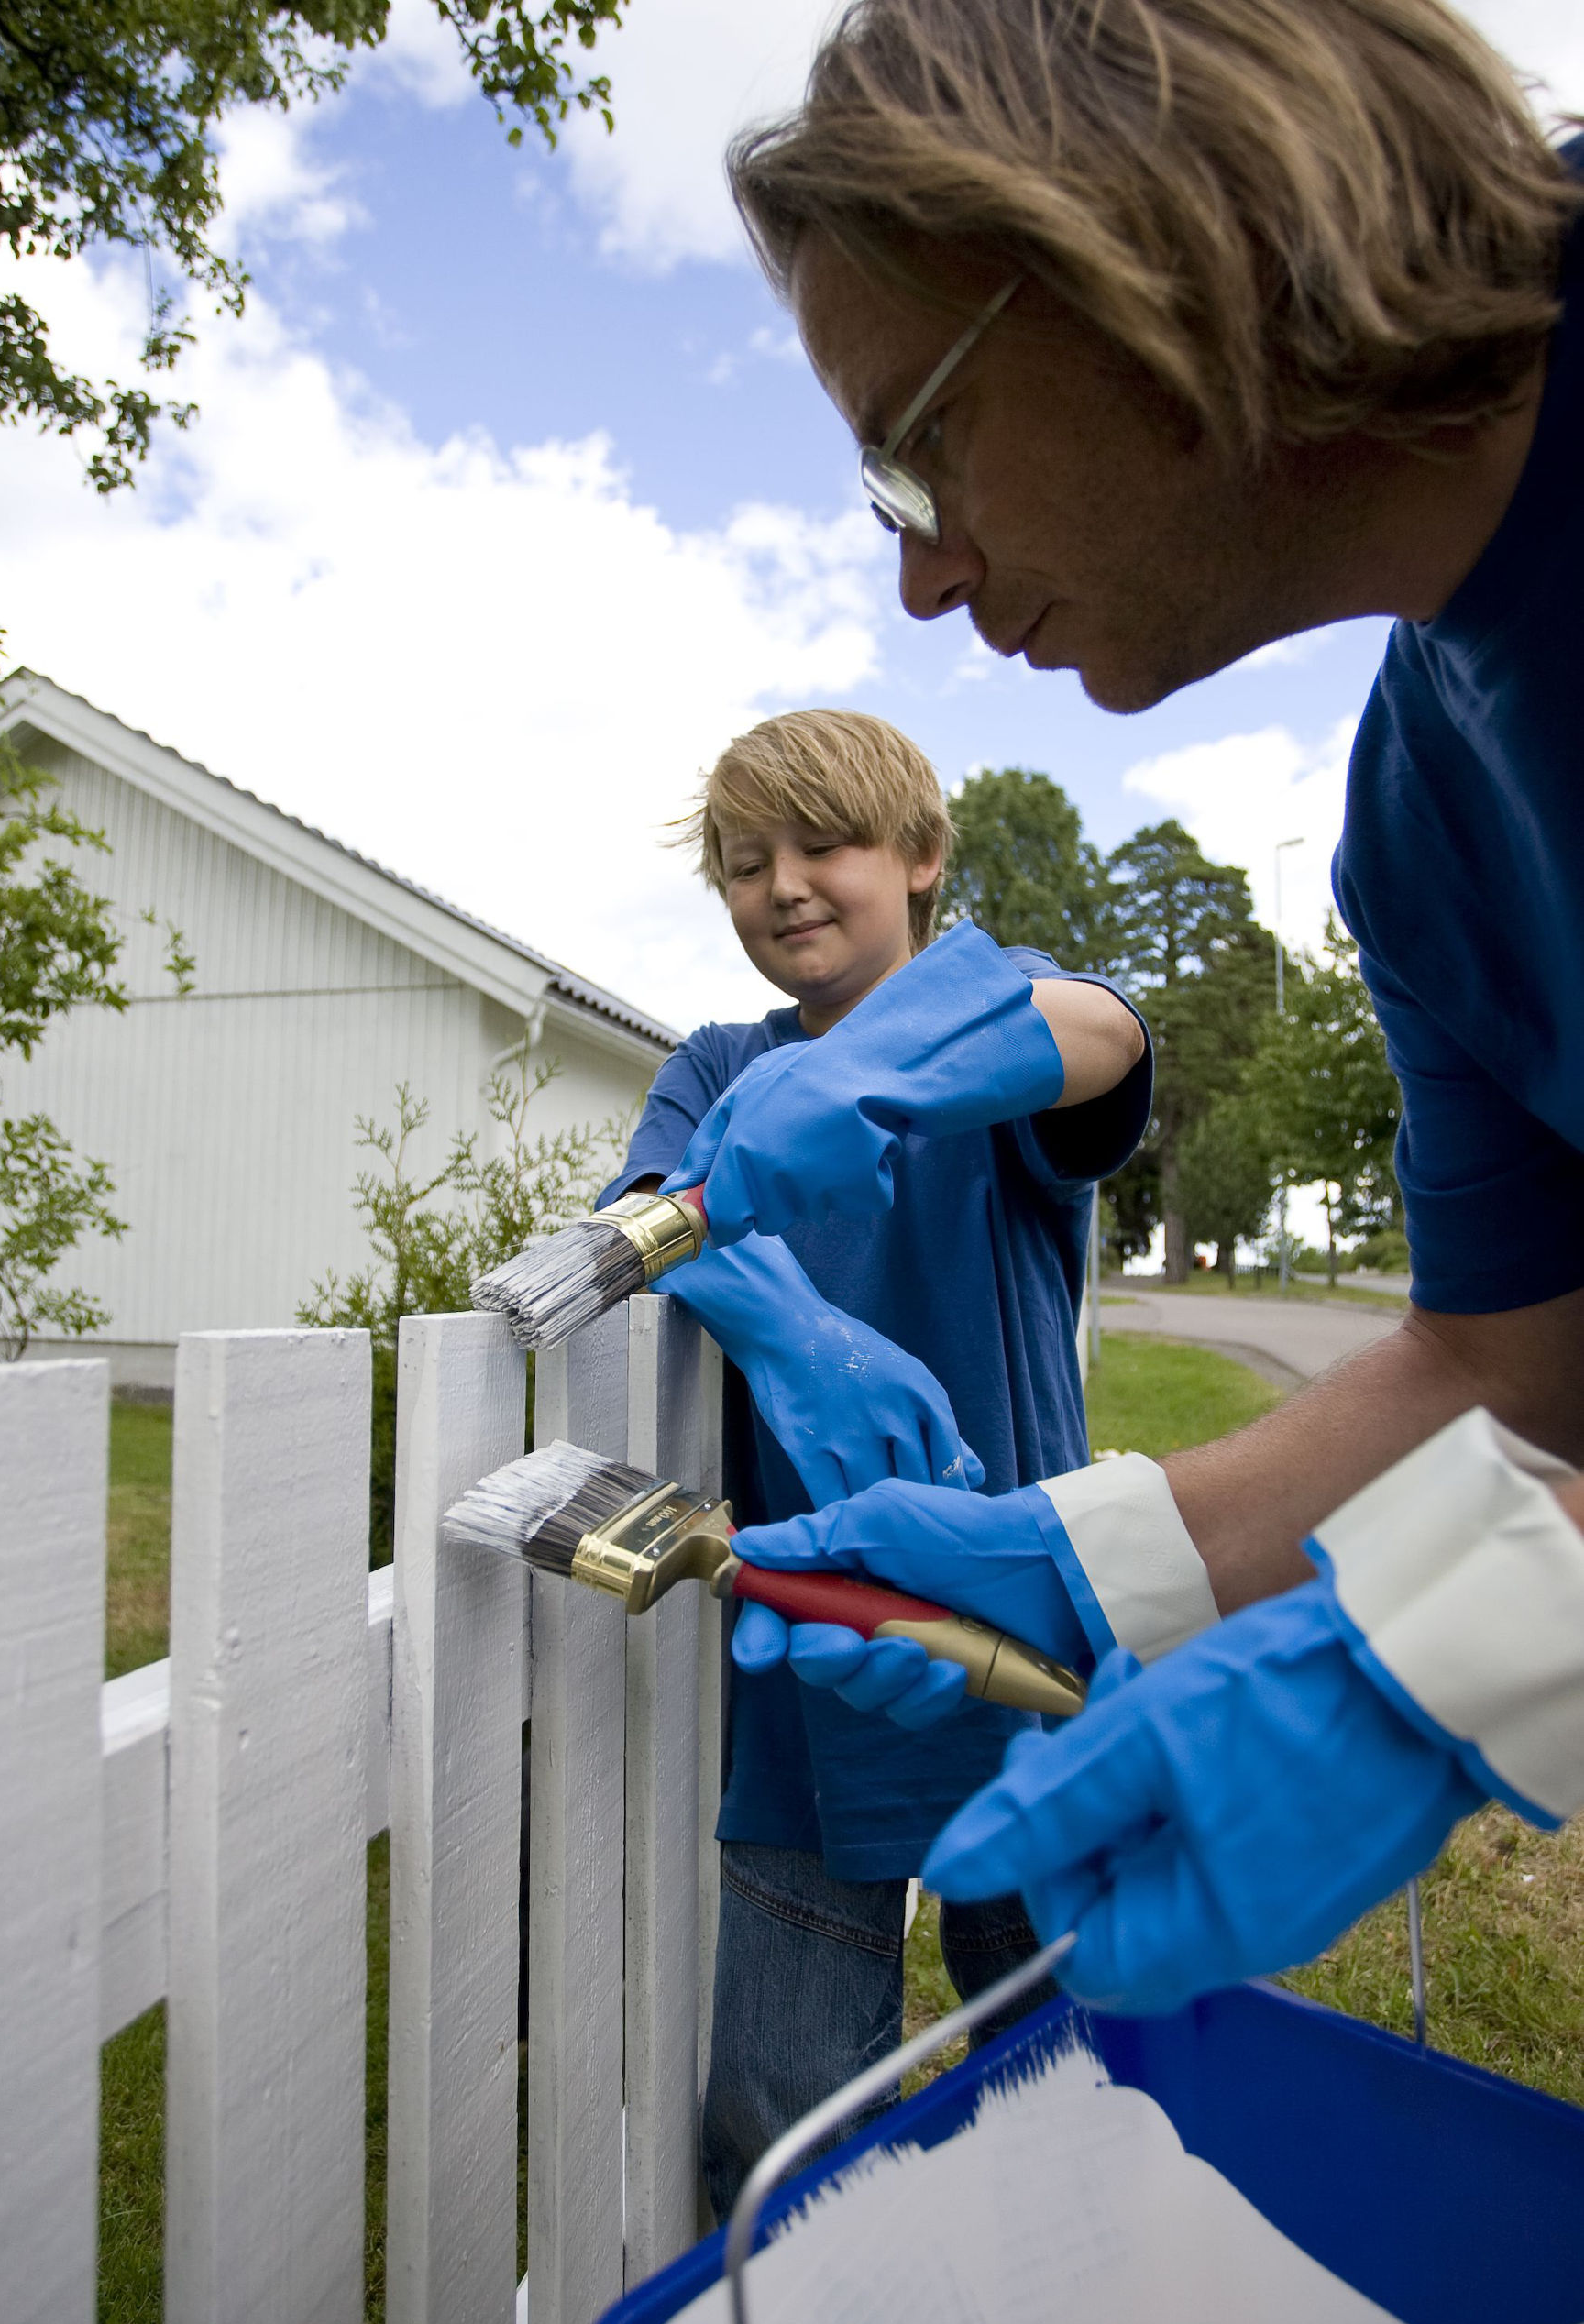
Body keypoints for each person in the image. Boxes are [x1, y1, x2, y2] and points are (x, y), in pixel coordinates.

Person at [667, 0, 1584, 2013]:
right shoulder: (1421, 831)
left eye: (913, 442)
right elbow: (1513, 1369)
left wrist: (1478, 1644)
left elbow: (1091, 1045)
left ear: (1138, 243)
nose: (917, 581)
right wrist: (1101, 1562)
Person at [598, 707, 1148, 2207]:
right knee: (782, 2125)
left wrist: (888, 1070)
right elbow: (643, 1200)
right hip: (811, 1678)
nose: (781, 884)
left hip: (1026, 1666)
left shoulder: (993, 1024)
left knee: (1063, 2095)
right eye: (743, 860)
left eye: (823, 843)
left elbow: (1101, 1030)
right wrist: (785, 1324)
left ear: (920, 858)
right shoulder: (718, 1062)